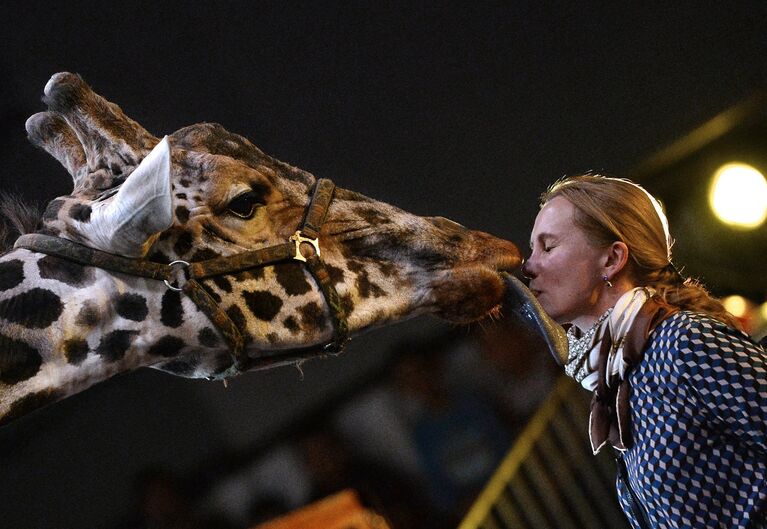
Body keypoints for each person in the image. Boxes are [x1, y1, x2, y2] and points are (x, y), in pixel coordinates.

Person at [521, 174, 766, 529]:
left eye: (548, 247)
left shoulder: (681, 342)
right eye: (532, 249)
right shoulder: (623, 379)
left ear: (612, 259)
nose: (528, 265)